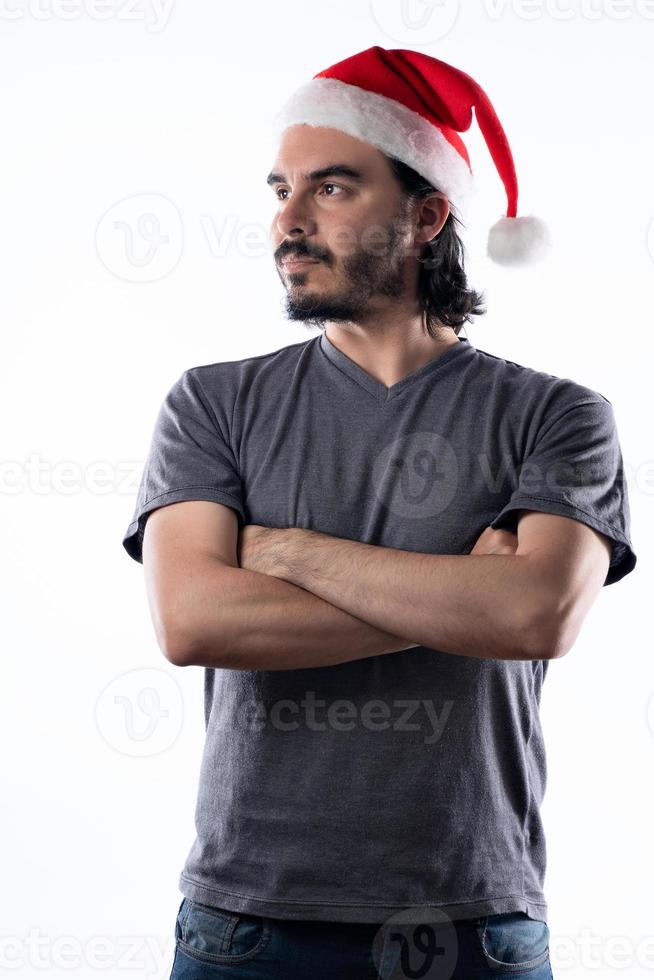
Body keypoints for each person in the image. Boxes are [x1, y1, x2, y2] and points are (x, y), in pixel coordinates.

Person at [122, 46, 637, 980]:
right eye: (281, 188)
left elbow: (534, 617)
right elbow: (192, 620)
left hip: (478, 919)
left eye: (332, 188)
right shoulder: (214, 404)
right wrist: (461, 595)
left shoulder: (557, 417)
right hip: (245, 923)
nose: (287, 220)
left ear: (427, 213)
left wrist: (284, 552)